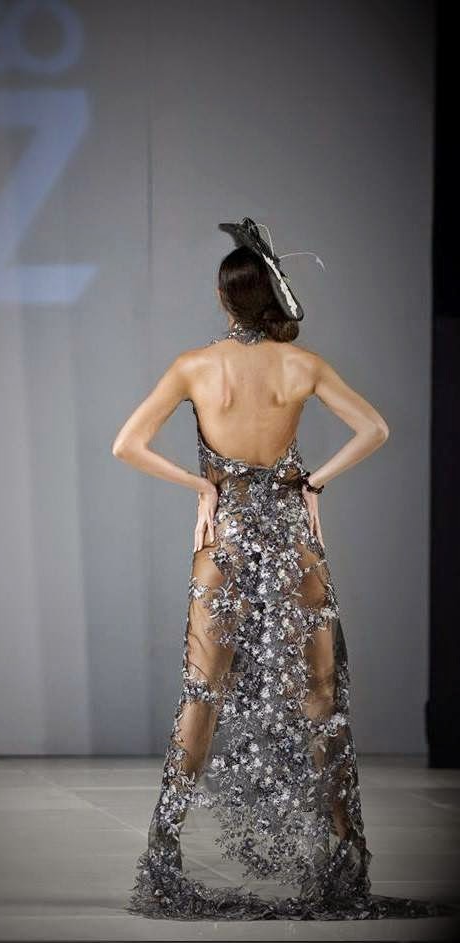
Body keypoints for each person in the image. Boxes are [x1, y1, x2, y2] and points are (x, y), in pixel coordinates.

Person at [111, 218, 453, 920]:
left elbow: (127, 444)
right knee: (321, 696)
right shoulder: (304, 366)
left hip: (227, 537)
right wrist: (313, 482)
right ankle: (344, 863)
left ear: (223, 298)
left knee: (202, 691)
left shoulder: (194, 366)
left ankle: (165, 856)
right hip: (292, 538)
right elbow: (376, 428)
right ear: (274, 295)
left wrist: (203, 488)